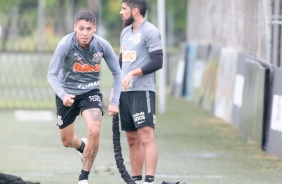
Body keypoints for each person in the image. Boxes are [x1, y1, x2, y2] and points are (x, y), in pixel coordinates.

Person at [47, 11, 122, 184]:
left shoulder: (102, 46)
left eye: (89, 29)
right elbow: (52, 75)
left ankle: (83, 177)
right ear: (75, 28)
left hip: (91, 92)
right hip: (67, 93)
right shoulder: (65, 44)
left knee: (94, 129)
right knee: (66, 141)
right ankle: (81, 146)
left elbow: (117, 74)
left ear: (94, 28)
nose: (85, 33)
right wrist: (63, 95)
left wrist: (114, 101)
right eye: (81, 28)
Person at [119, 0, 163, 184]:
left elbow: (157, 62)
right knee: (131, 138)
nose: (121, 12)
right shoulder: (124, 33)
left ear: (135, 11)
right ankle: (136, 181)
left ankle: (149, 181)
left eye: (124, 9)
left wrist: (133, 73)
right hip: (126, 92)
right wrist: (117, 83)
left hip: (142, 91)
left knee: (146, 136)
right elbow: (121, 62)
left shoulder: (150, 31)